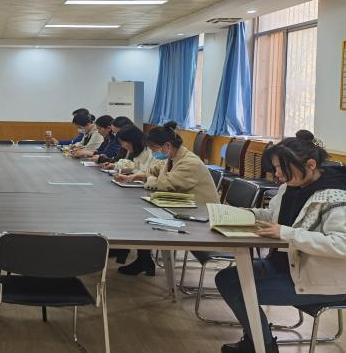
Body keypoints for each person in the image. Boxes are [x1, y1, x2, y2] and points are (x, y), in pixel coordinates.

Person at [216, 131, 346, 353]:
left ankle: (263, 346)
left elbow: (341, 244)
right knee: (225, 279)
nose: (277, 174)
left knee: (240, 290)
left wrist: (287, 233)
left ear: (311, 164)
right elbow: (273, 216)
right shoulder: (291, 186)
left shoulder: (336, 195)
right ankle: (257, 340)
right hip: (287, 266)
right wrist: (243, 215)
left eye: (281, 168)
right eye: (276, 167)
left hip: (321, 280)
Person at [113, 121, 219, 276]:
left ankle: (144, 260)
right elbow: (154, 171)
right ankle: (143, 260)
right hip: (182, 206)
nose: (153, 152)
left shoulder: (189, 163)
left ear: (167, 146)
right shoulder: (172, 157)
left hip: (200, 214)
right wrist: (135, 176)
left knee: (143, 217)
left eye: (154, 148)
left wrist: (148, 178)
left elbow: (163, 184)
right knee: (140, 213)